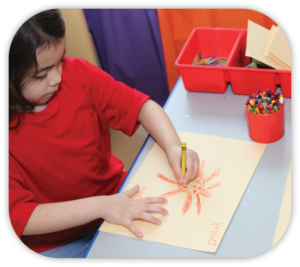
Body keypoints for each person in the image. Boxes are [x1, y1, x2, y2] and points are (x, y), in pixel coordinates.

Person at [8, 9, 200, 258]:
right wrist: (101, 206)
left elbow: (142, 108)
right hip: (56, 241)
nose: (57, 77)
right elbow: (20, 216)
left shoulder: (78, 74)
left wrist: (173, 146)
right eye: (41, 74)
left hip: (118, 198)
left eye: (60, 60)